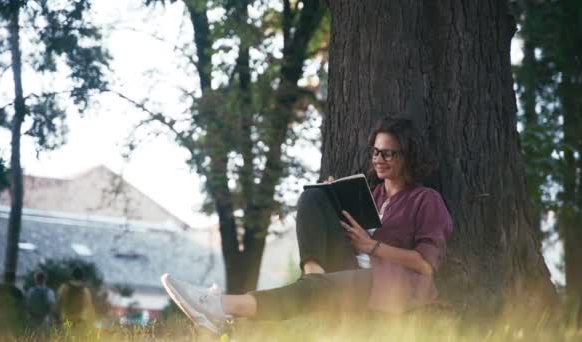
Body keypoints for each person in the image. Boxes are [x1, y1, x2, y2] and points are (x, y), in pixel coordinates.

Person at [161, 116, 454, 334]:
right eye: (375, 151)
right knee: (314, 195)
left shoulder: (426, 200)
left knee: (314, 289)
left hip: (389, 285)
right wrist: (332, 199)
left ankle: (221, 307)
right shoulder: (371, 193)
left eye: (387, 153)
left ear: (408, 155)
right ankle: (313, 279)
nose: (379, 159)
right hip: (348, 268)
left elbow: (426, 265)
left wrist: (373, 246)